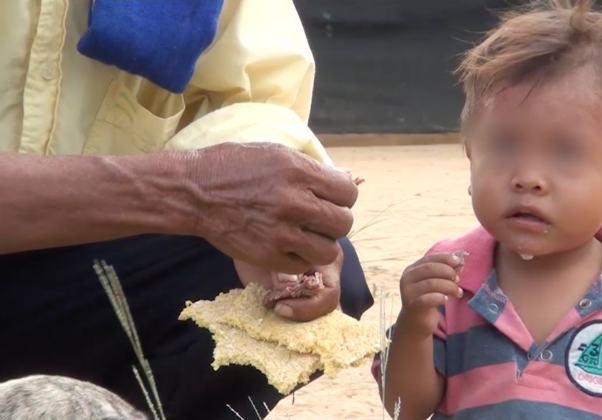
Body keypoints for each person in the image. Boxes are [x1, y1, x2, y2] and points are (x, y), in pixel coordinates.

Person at [0, 0, 373, 419]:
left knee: (297, 262)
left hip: (86, 284)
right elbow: (192, 192)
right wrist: (187, 192)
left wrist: (272, 221)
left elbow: (255, 97)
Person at [371, 1, 602, 419]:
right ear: (471, 155)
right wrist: (415, 325)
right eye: (504, 145)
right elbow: (405, 409)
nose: (528, 177)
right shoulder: (451, 281)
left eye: (565, 152)